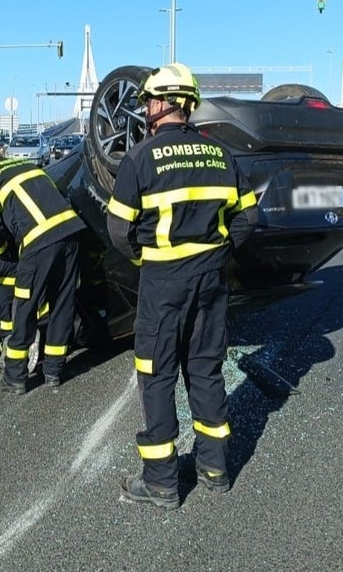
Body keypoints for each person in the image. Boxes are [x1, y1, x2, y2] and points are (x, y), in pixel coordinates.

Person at [106, 63, 258, 509]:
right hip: (211, 281)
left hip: (162, 285)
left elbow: (118, 229)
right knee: (206, 370)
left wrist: (145, 255)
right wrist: (218, 252)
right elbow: (248, 218)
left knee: (156, 376)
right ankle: (215, 469)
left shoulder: (140, 158)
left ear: (158, 103)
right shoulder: (221, 155)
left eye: (148, 102)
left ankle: (162, 482)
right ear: (187, 104)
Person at [0, 138, 84, 394]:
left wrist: (1, 252)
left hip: (39, 241)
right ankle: (54, 371)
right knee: (62, 301)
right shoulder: (24, 165)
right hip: (71, 233)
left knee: (25, 305)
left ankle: (15, 375)